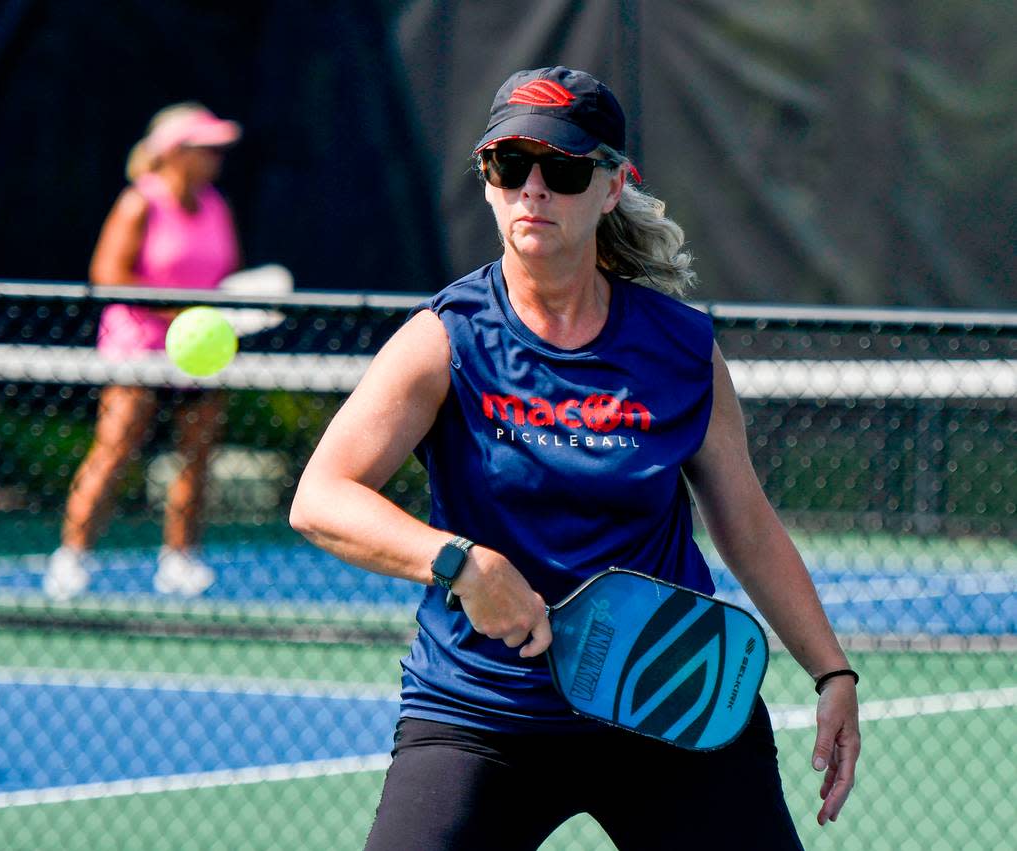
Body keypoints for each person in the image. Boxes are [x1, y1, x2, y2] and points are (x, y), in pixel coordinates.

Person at [290, 67, 860, 849]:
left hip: (667, 700)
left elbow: (747, 522)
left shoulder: (681, 348)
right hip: (483, 712)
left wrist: (832, 670)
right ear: (486, 182)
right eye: (508, 166)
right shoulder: (444, 339)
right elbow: (320, 496)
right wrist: (462, 563)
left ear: (612, 186)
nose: (532, 190)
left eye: (560, 169)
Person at [44, 103, 242, 600]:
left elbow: (226, 279)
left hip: (200, 355)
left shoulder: (217, 206)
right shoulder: (140, 203)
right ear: (175, 152)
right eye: (206, 147)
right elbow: (109, 275)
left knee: (196, 456)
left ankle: (178, 560)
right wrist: (178, 315)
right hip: (137, 350)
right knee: (115, 450)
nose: (216, 156)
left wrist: (215, 320)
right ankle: (72, 557)